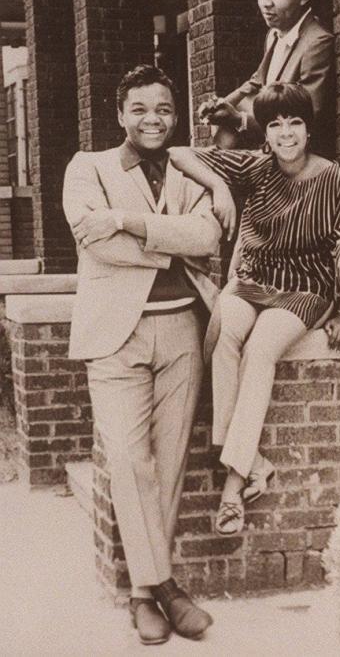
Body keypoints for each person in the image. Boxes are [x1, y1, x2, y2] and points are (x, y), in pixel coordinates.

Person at [169, 82, 340, 537]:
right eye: (276, 123)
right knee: (223, 334)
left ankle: (234, 485)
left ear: (308, 128)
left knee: (260, 350)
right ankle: (254, 458)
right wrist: (221, 189)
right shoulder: (256, 167)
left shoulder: (333, 176)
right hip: (251, 280)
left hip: (304, 288)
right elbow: (179, 154)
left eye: (295, 122)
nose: (286, 133)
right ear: (263, 130)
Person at [62, 65, 220, 644]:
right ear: (120, 114)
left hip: (181, 329)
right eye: (140, 109)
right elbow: (90, 236)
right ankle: (161, 588)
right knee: (130, 462)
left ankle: (145, 593)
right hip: (114, 334)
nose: (152, 119)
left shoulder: (188, 166)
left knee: (170, 460)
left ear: (174, 116)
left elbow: (207, 237)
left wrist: (129, 221)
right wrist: (167, 240)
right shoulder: (89, 167)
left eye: (163, 109)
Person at [197, 0, 334, 154]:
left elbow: (307, 116)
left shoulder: (317, 42)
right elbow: (256, 83)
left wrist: (239, 119)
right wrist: (221, 104)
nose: (265, 2)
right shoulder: (273, 35)